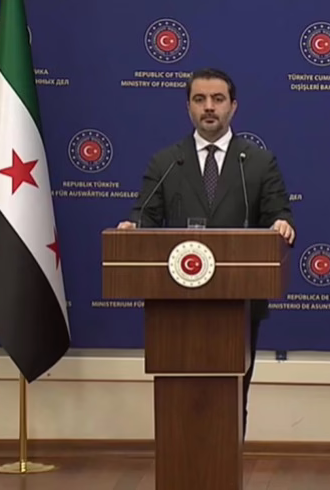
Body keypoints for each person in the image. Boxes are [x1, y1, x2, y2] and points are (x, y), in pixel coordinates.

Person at [117, 68, 295, 438]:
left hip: (238, 303)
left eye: (217, 99)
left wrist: (281, 226)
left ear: (234, 106)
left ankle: (228, 465)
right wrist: (133, 228)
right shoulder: (166, 162)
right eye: (200, 100)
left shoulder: (258, 162)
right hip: (177, 305)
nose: (209, 107)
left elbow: (278, 215)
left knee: (231, 398)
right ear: (188, 108)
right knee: (180, 400)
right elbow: (143, 216)